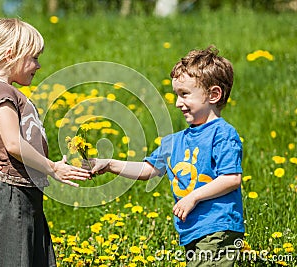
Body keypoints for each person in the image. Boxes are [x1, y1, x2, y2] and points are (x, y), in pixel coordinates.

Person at [90, 46, 244, 266]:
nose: (178, 103)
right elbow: (149, 170)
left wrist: (193, 197)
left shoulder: (222, 134)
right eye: (176, 95)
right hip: (192, 231)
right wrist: (110, 164)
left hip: (219, 228)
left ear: (213, 94)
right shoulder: (174, 141)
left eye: (185, 94)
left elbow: (231, 179)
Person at [0, 17, 90, 267]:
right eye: (34, 58)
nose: (38, 65)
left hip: (22, 195)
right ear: (11, 55)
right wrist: (52, 168)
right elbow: (12, 143)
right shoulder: (2, 91)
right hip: (12, 199)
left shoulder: (3, 90)